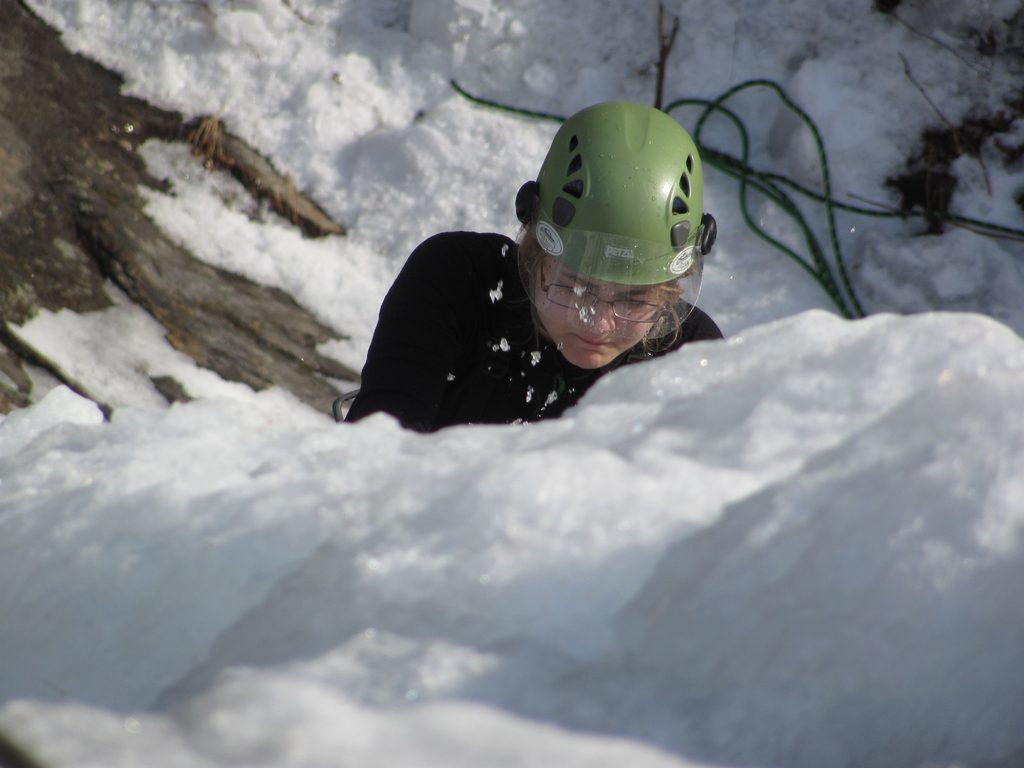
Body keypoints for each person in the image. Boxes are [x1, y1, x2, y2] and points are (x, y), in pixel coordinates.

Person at [345, 101, 722, 432]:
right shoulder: (459, 282)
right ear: (535, 253)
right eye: (575, 287)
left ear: (670, 290)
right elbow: (377, 454)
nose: (598, 324)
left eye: (634, 301)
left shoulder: (686, 355)